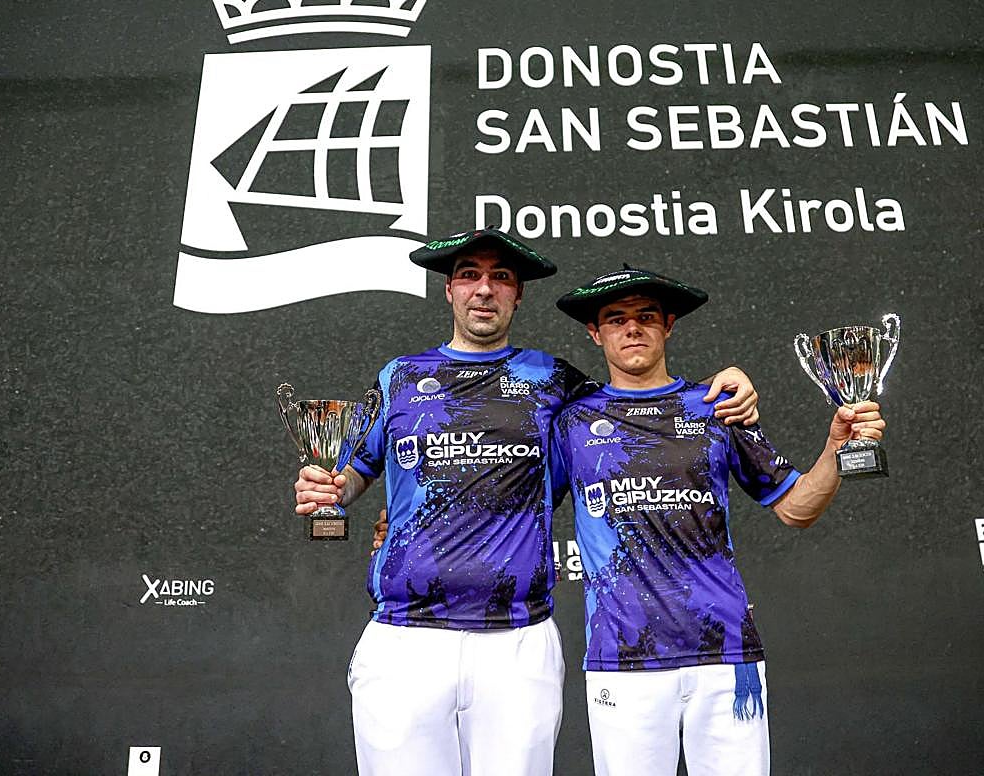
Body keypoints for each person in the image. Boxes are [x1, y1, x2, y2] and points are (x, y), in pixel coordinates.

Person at [294, 230, 759, 776]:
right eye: (469, 275)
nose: (484, 289)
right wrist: (331, 488)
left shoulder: (554, 380)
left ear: (518, 295)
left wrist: (721, 385)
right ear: (449, 290)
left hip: (517, 638)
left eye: (501, 277)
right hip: (404, 635)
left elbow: (641, 398)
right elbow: (356, 469)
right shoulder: (399, 377)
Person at [549, 266, 888, 776]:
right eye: (616, 319)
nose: (632, 328)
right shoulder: (571, 422)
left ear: (668, 325)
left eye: (646, 316)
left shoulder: (716, 407)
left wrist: (837, 448)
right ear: (595, 333)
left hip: (725, 655)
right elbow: (518, 504)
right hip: (623, 659)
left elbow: (796, 508)